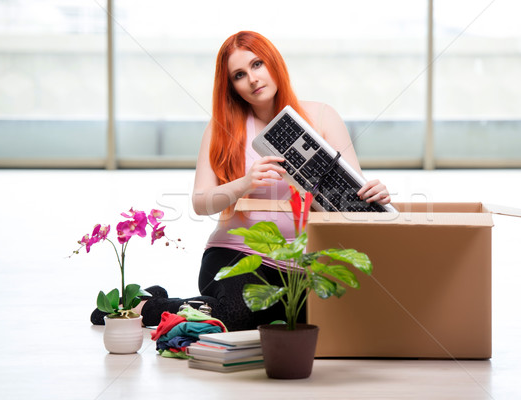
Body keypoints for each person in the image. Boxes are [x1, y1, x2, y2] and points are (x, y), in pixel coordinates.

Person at [91, 31, 391, 330]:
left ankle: (174, 302)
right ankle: (149, 305)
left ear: (274, 64)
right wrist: (245, 183)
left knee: (312, 317)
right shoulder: (222, 127)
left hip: (302, 260)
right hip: (236, 254)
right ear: (231, 86)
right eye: (239, 74)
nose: (252, 79)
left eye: (257, 64)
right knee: (238, 314)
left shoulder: (323, 116)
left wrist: (373, 192)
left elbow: (351, 199)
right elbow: (200, 203)